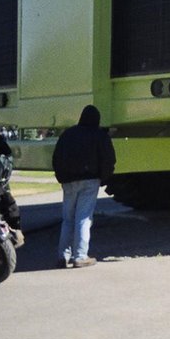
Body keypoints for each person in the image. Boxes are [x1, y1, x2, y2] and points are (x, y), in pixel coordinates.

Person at [52, 104, 115, 269]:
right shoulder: (100, 135)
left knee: (67, 219)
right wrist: (104, 177)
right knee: (84, 218)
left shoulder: (68, 134)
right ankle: (80, 256)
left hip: (68, 181)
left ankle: (62, 256)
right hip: (90, 180)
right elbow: (109, 159)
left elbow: (57, 157)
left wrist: (61, 177)